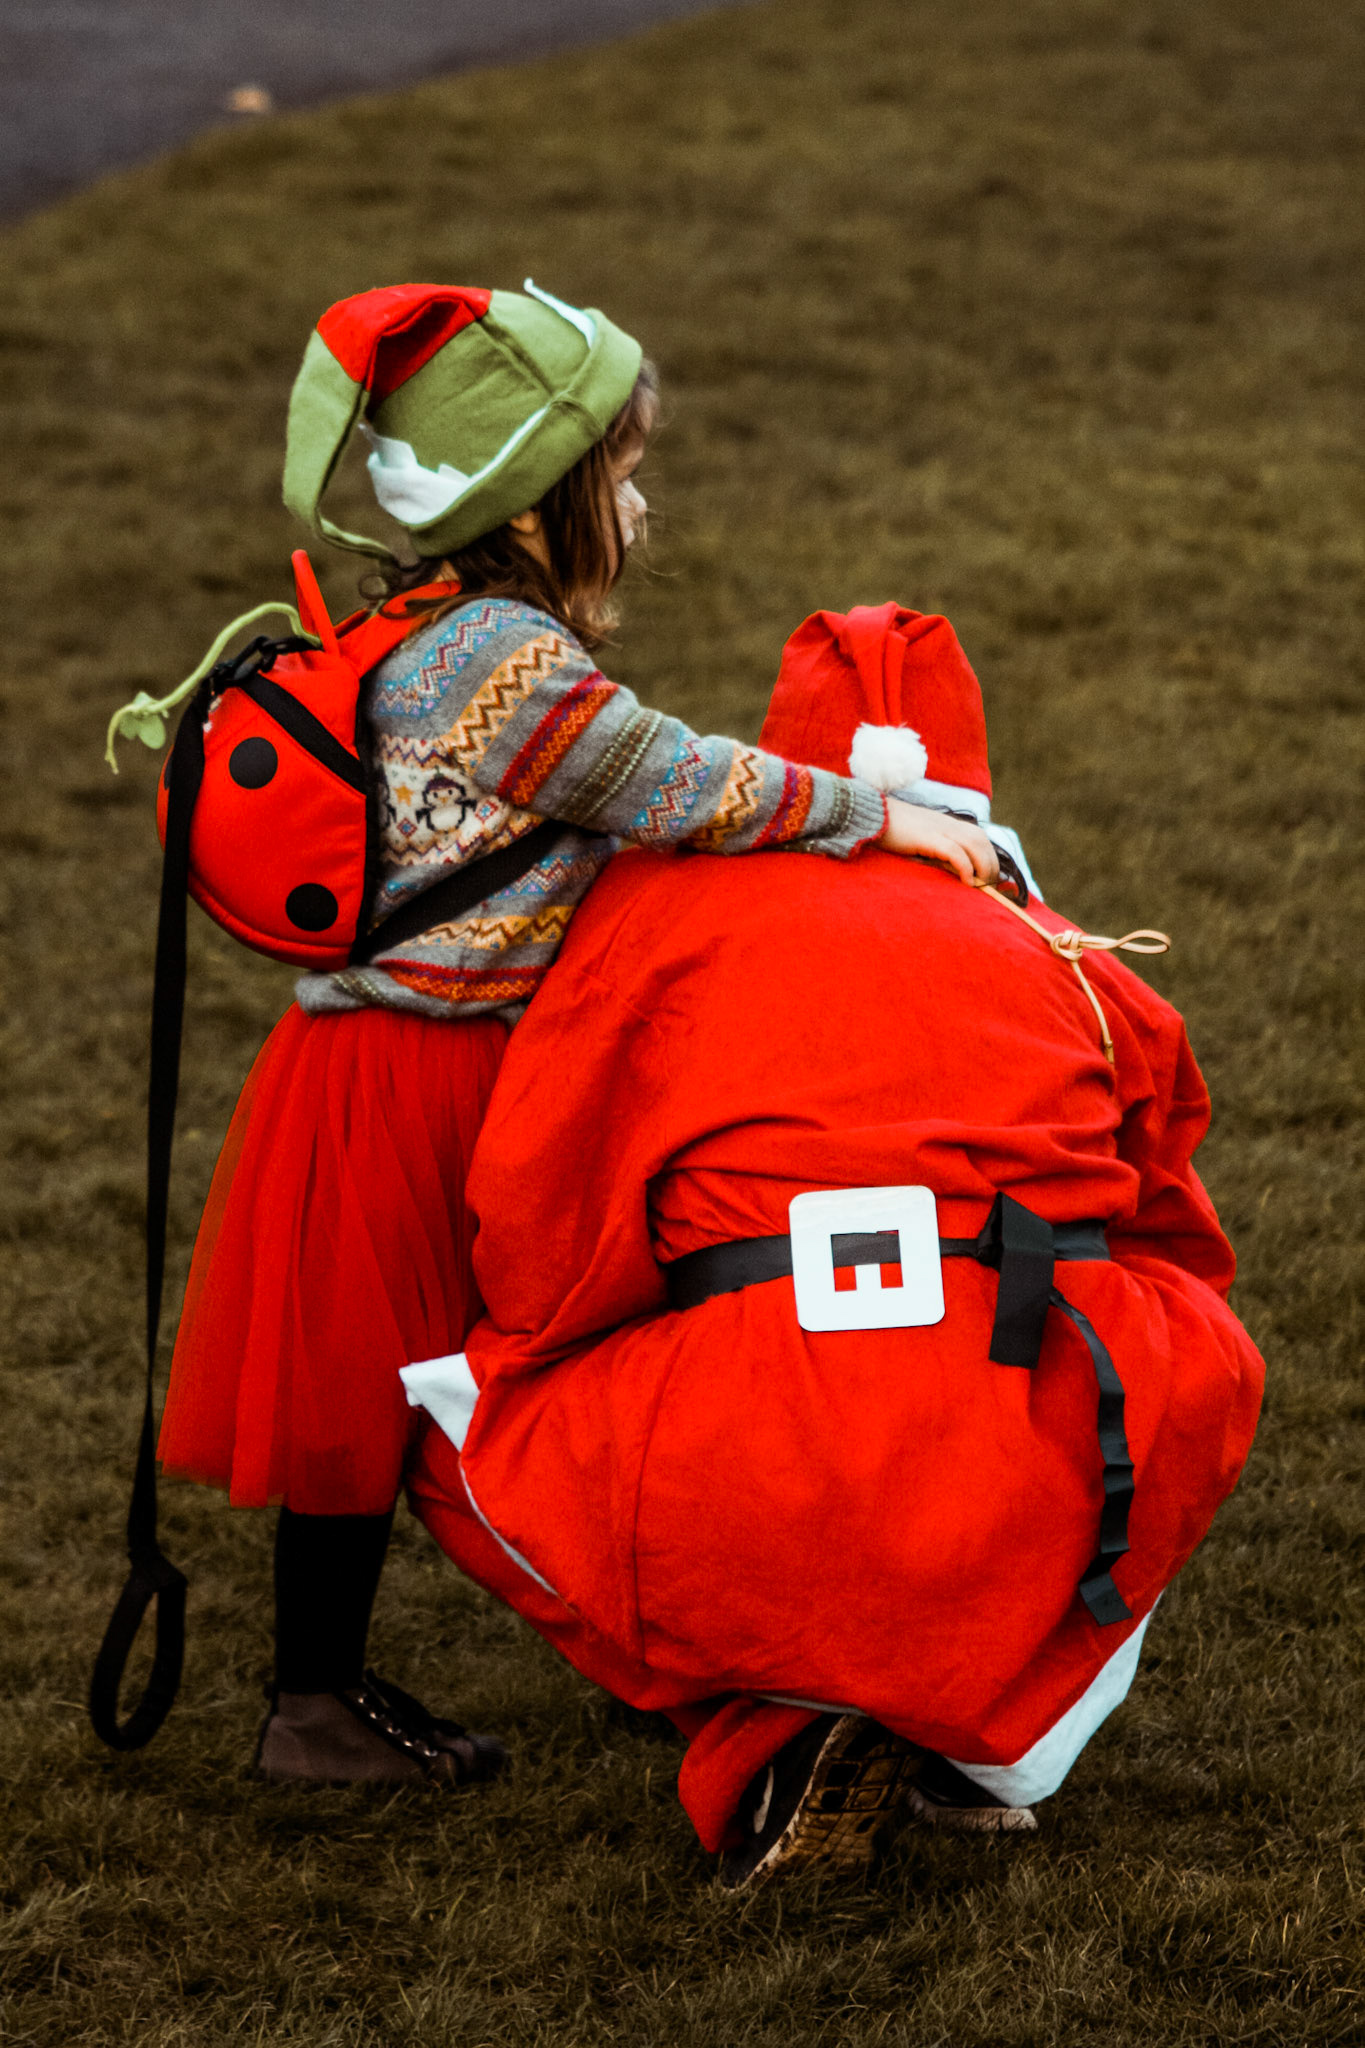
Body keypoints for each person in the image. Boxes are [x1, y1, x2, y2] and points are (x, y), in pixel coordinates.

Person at [154, 280, 1001, 1786]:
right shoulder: (501, 664)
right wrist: (892, 820)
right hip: (424, 1072)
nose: (638, 499)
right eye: (615, 474)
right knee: (460, 1381)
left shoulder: (435, 616)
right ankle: (346, 1705)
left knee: (427, 1382)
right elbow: (677, 782)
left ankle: (391, 1685)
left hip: (395, 1059)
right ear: (536, 502)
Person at [402, 598, 1265, 1884]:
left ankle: (770, 1716)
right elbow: (1175, 1229)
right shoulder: (1068, 950)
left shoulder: (652, 918)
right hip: (1034, 1402)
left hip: (756, 1401)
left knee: (449, 1438)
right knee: (1184, 1360)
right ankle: (974, 1734)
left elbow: (543, 1216)